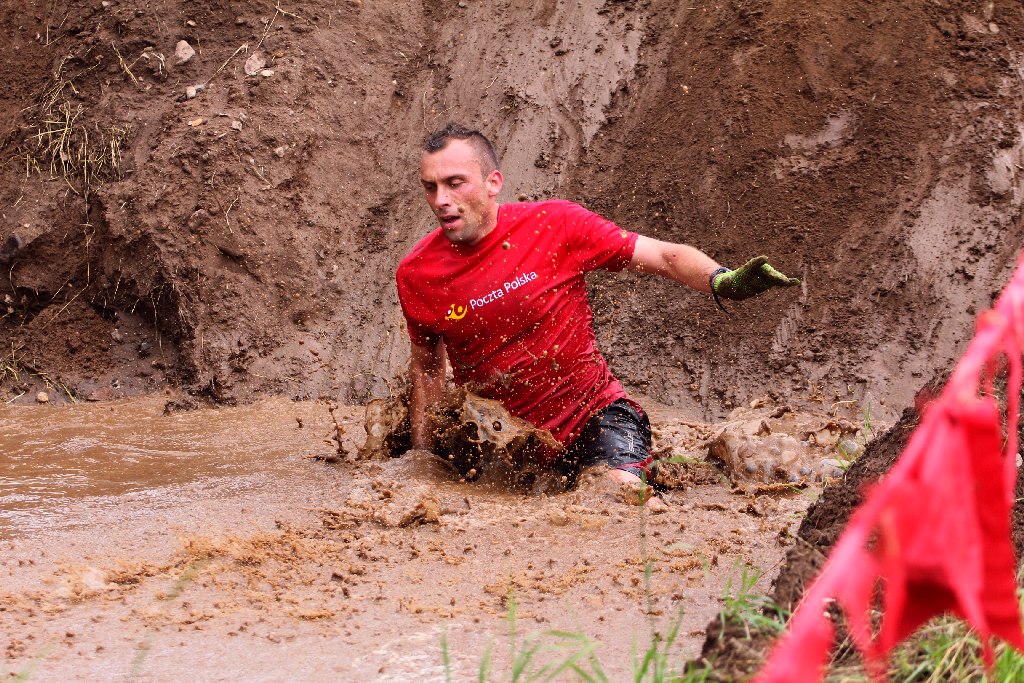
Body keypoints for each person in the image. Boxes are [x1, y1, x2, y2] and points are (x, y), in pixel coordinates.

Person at [396, 123, 799, 486]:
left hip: (595, 420)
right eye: (430, 187)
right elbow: (428, 370)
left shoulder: (555, 224)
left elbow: (663, 256)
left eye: (455, 183)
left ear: (493, 182)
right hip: (506, 445)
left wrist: (721, 279)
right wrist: (425, 463)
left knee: (619, 499)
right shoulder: (417, 273)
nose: (442, 199)